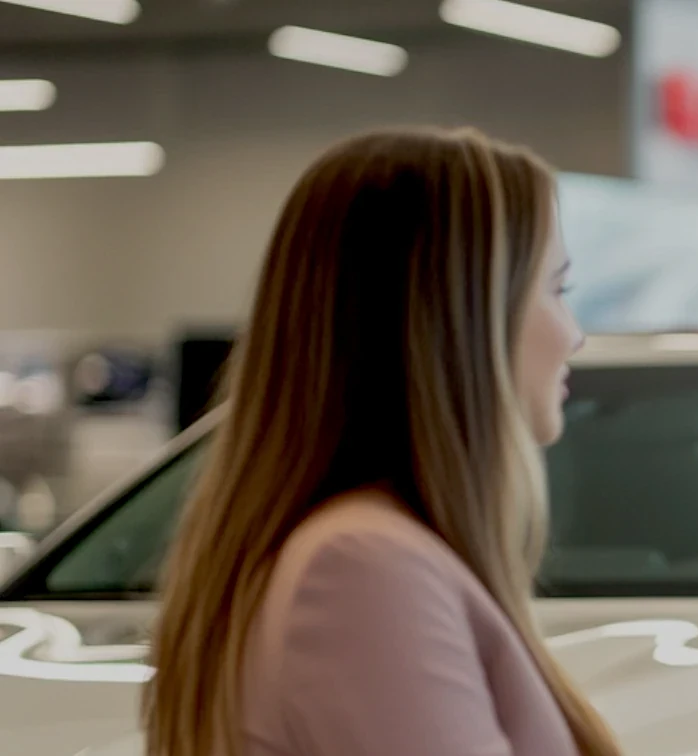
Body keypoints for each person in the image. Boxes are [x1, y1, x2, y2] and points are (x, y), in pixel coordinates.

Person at [142, 127, 620, 756]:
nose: (573, 335)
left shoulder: (360, 551)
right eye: (558, 290)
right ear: (464, 317)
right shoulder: (360, 567)